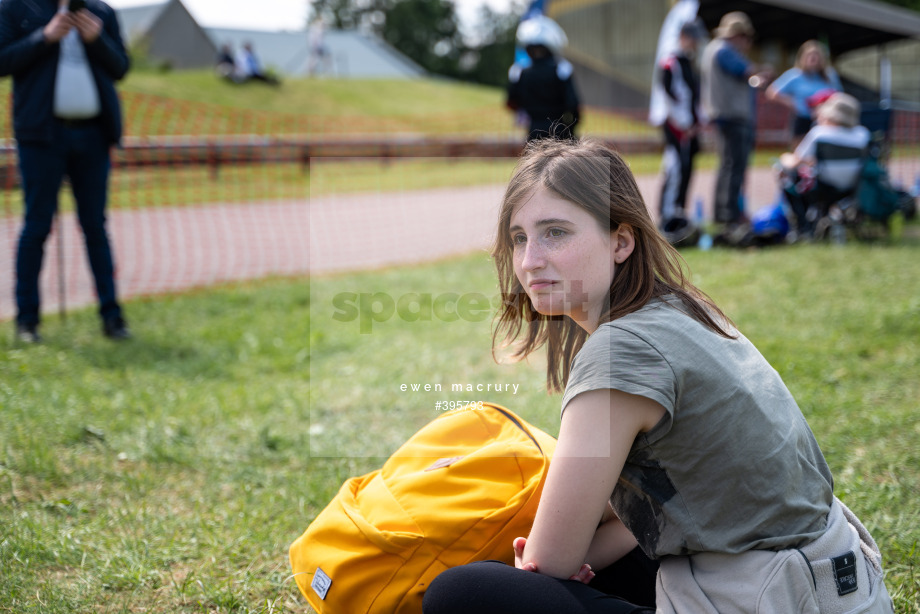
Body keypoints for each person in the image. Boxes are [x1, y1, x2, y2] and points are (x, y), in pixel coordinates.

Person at [422, 138, 893, 614]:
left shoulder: (619, 350)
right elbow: (637, 511)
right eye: (520, 237)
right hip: (838, 585)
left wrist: (539, 566)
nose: (529, 261)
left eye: (556, 233)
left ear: (621, 241)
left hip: (771, 596)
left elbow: (548, 563)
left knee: (463, 593)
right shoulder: (682, 308)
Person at [0, 0, 131, 343]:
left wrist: (96, 39)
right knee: (36, 226)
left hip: (92, 134)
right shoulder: (16, 8)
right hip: (41, 135)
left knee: (95, 227)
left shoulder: (101, 13)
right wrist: (44, 36)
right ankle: (27, 321)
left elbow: (121, 67)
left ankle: (112, 318)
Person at [700, 11, 771, 231]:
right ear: (738, 35)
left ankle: (724, 212)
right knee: (734, 166)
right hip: (733, 116)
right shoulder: (725, 50)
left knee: (727, 165)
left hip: (723, 115)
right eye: (745, 37)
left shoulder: (712, 49)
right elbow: (748, 71)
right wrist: (765, 71)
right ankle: (729, 214)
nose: (747, 43)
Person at [778, 91, 870, 238]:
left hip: (823, 187)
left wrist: (784, 157)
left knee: (785, 173)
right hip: (852, 188)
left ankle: (804, 227)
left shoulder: (820, 133)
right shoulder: (862, 134)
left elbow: (794, 161)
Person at [654, 19, 704, 245]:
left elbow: (694, 96)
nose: (695, 43)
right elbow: (670, 95)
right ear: (684, 37)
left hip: (690, 127)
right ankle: (666, 215)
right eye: (692, 38)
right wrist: (684, 123)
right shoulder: (670, 62)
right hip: (676, 126)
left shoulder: (688, 62)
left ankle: (680, 212)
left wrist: (697, 121)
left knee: (686, 169)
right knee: (674, 168)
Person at [507, 15, 581, 143]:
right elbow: (573, 105)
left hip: (533, 134)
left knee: (536, 162)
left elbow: (511, 102)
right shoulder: (561, 69)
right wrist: (570, 129)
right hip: (559, 134)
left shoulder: (519, 72)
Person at [767, 40, 843, 148]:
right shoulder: (795, 75)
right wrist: (792, 103)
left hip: (825, 120)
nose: (813, 59)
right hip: (802, 118)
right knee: (800, 151)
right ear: (803, 58)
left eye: (816, 56)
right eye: (809, 55)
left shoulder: (829, 75)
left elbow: (839, 95)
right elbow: (772, 92)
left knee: (821, 151)